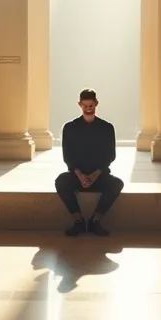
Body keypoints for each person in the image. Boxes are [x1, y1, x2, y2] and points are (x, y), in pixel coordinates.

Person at [55, 88, 124, 236]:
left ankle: (95, 221)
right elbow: (68, 156)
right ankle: (79, 221)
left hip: (99, 175)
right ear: (79, 105)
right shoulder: (70, 128)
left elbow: (110, 155)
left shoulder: (107, 128)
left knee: (117, 184)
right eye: (85, 106)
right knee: (61, 182)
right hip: (77, 176)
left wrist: (96, 174)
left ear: (96, 104)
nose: (88, 109)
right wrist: (79, 174)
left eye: (91, 106)